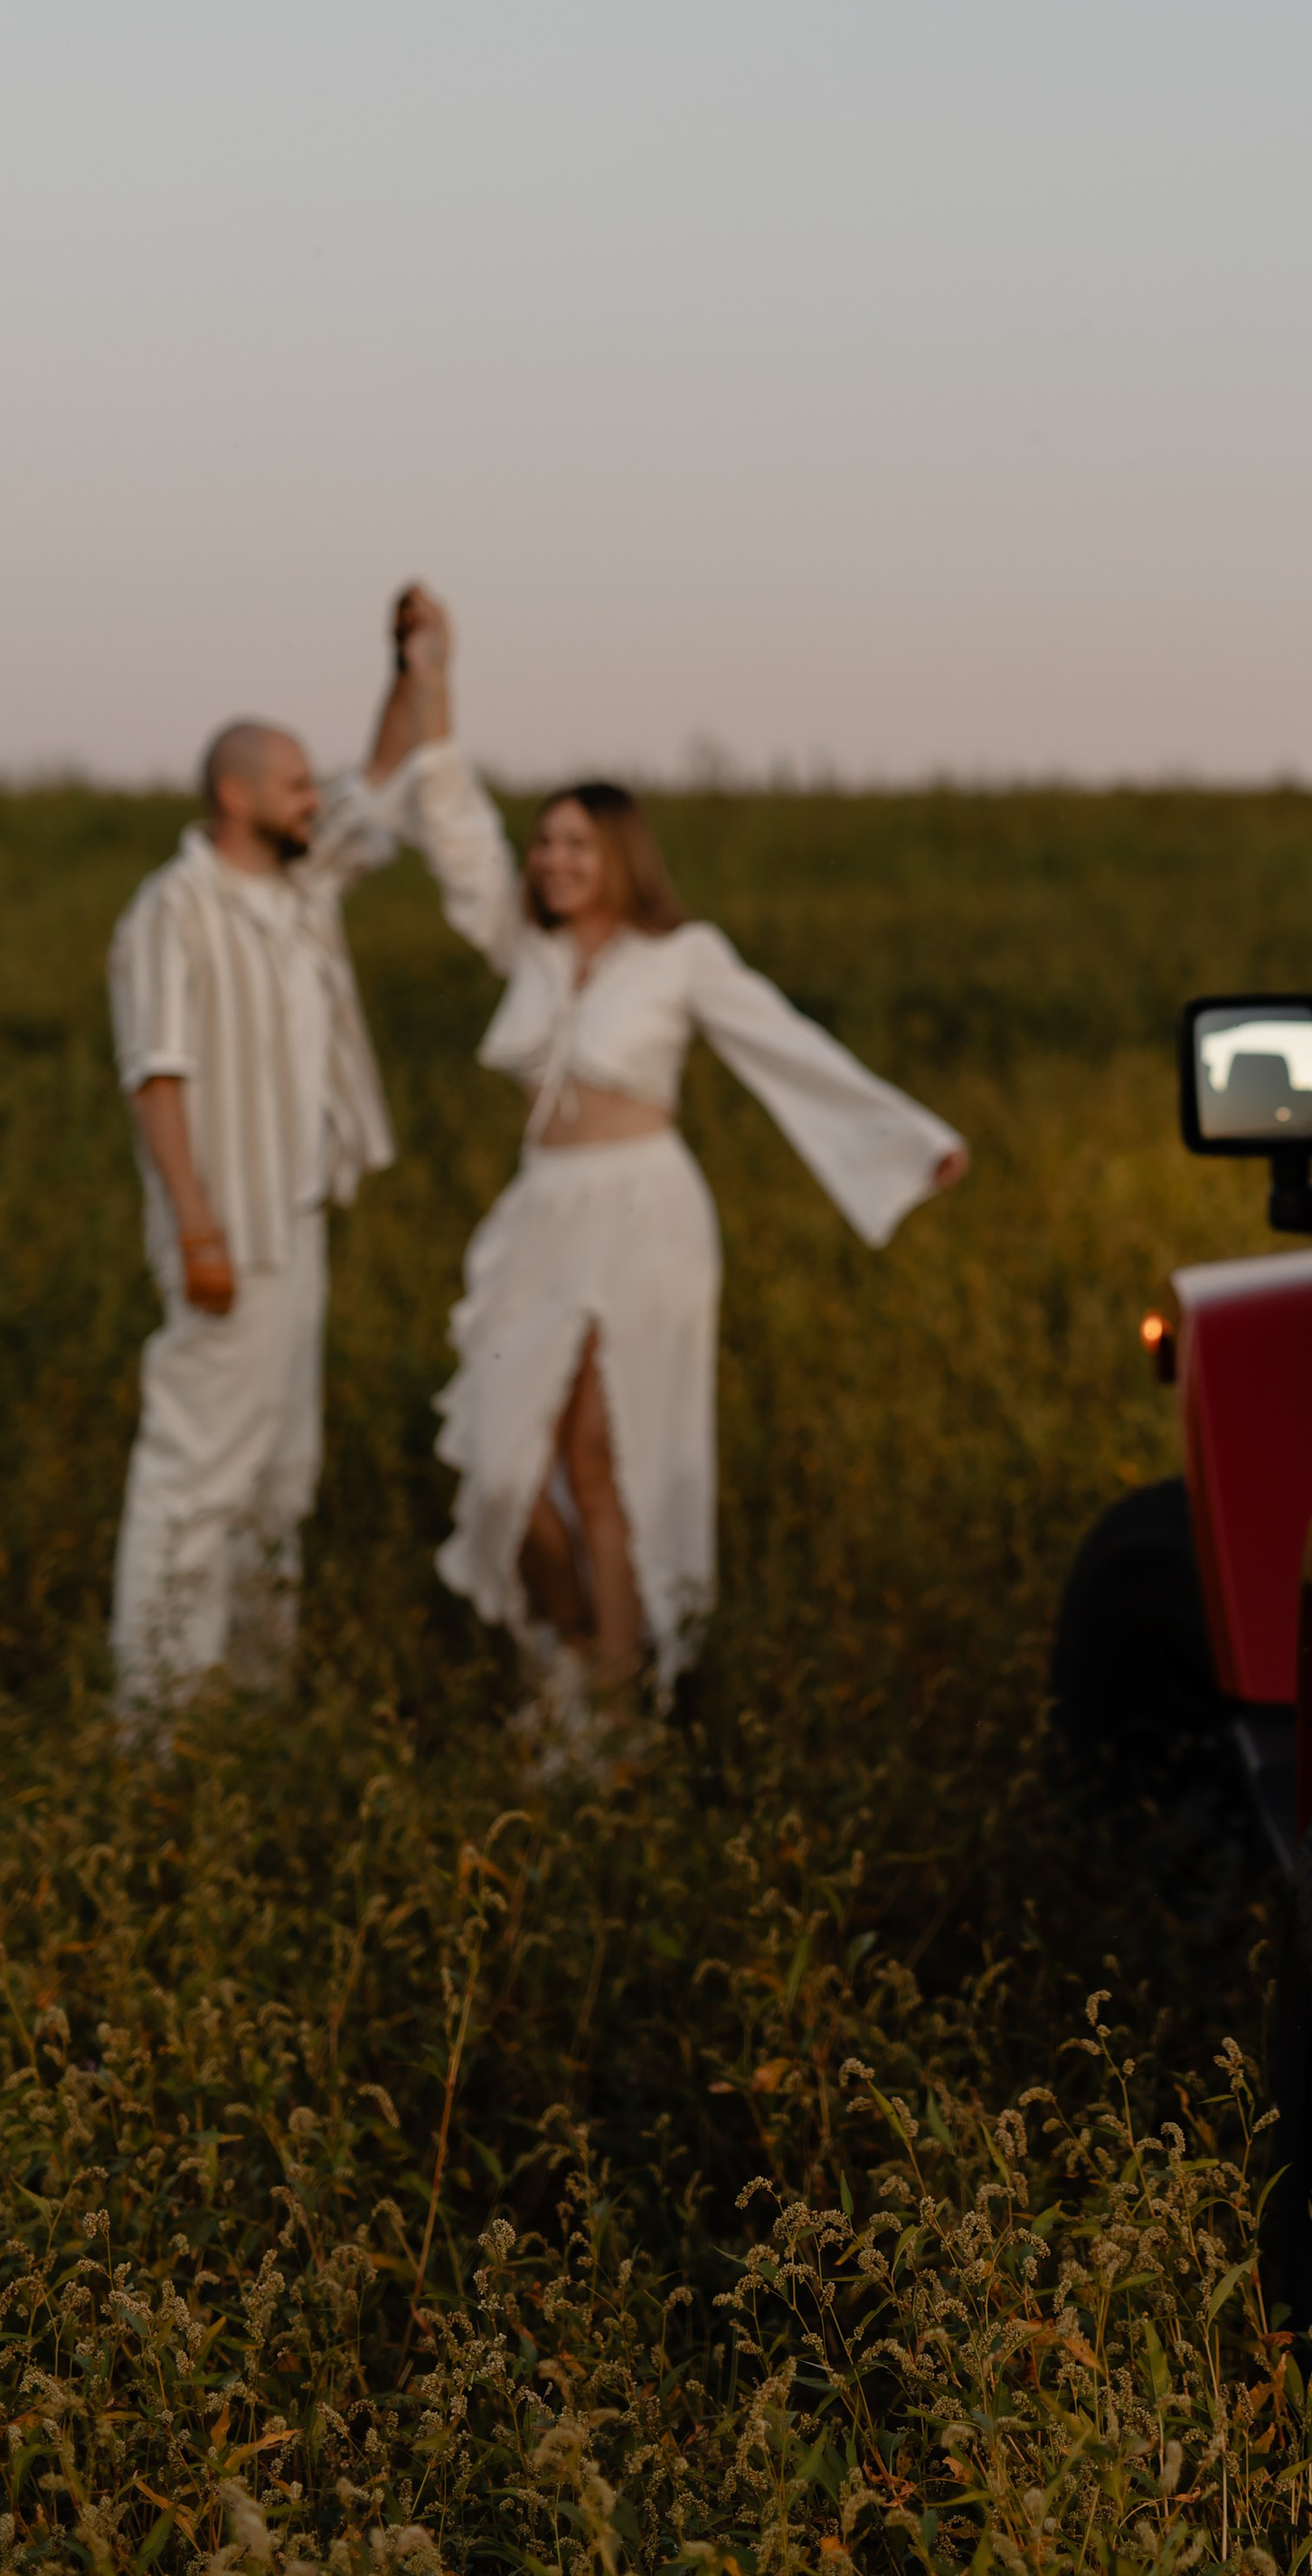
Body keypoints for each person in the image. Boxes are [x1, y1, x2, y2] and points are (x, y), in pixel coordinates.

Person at [381, 592, 967, 1731]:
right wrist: (432, 674)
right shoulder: (528, 947)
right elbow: (456, 825)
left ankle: (617, 1698)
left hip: (644, 1209)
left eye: (572, 844)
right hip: (543, 1212)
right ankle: (568, 1648)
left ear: (618, 856)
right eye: (543, 843)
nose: (550, 860)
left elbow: (786, 1046)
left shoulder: (680, 956)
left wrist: (910, 1142)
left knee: (606, 1455)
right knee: (509, 1468)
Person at [108, 614, 439, 1709]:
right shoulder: (175, 909)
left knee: (280, 1476)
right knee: (195, 1474)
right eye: (297, 784)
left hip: (297, 1219)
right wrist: (195, 1229)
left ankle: (253, 1698)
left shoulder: (300, 883)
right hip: (227, 1229)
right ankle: (156, 1722)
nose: (316, 799)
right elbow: (158, 1075)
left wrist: (412, 668)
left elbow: (381, 782)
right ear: (239, 795)